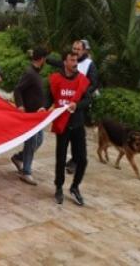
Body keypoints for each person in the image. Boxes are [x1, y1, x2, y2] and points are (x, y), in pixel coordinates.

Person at [47, 39, 100, 174]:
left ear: (84, 51)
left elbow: (94, 83)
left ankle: (75, 161)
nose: (76, 51)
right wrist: (44, 58)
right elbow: (58, 63)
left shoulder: (90, 65)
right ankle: (66, 166)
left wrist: (82, 93)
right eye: (74, 48)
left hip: (79, 107)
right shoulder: (69, 60)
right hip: (64, 107)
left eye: (78, 49)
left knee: (78, 139)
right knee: (64, 140)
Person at [49, 51, 92, 206]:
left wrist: (77, 105)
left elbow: (88, 99)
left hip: (78, 125)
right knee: (60, 158)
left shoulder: (81, 80)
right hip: (62, 125)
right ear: (65, 62)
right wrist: (42, 108)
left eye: (76, 60)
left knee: (83, 159)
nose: (75, 63)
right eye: (72, 60)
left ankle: (75, 187)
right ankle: (59, 186)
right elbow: (49, 97)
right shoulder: (55, 79)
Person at [10, 47, 49, 185]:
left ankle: (19, 158)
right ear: (42, 59)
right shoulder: (30, 73)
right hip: (30, 116)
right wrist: (20, 106)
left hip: (37, 116)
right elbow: (18, 89)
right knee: (32, 141)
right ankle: (26, 171)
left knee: (39, 140)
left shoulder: (36, 74)